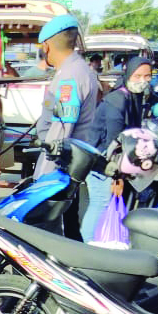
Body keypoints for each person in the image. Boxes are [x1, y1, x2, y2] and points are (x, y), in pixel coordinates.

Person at [33, 14, 100, 239]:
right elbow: (50, 113)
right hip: (67, 169)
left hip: (60, 172)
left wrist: (43, 178)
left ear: (46, 46)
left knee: (56, 237)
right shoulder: (70, 71)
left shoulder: (70, 77)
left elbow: (61, 131)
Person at [83, 56, 155, 241]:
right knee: (101, 201)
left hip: (111, 160)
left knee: (105, 202)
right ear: (129, 74)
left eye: (147, 76)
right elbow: (115, 144)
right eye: (138, 75)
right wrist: (117, 176)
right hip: (102, 160)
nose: (143, 80)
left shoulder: (134, 97)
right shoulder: (118, 101)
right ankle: (89, 243)